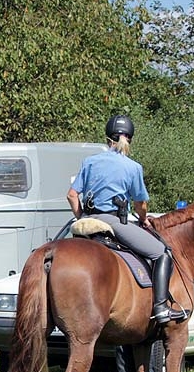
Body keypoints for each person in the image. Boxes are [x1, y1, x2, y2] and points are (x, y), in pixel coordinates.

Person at [66, 114, 184, 325]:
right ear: (129, 139)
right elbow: (141, 204)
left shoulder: (90, 162)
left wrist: (82, 217)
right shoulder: (132, 167)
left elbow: (72, 195)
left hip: (85, 223)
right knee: (161, 253)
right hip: (113, 222)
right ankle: (161, 308)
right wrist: (144, 219)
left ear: (107, 139)